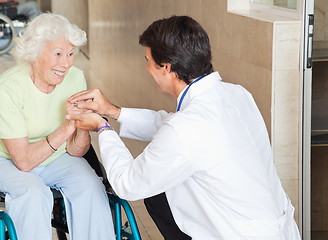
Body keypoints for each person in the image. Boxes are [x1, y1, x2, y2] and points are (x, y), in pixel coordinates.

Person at [66, 15, 302, 240]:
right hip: (278, 228)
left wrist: (103, 128)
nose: (147, 69)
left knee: (152, 189)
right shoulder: (237, 94)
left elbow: (129, 184)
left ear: (166, 68)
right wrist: (113, 111)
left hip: (237, 233)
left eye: (148, 62)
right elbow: (171, 126)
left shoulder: (185, 128)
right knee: (160, 193)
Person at [0, 13, 115, 240]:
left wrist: (82, 125)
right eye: (58, 54)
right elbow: (24, 162)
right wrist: (67, 129)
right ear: (35, 53)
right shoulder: (7, 89)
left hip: (53, 158)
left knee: (91, 187)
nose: (65, 64)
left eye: (70, 54)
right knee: (33, 193)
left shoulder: (75, 77)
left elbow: (76, 151)